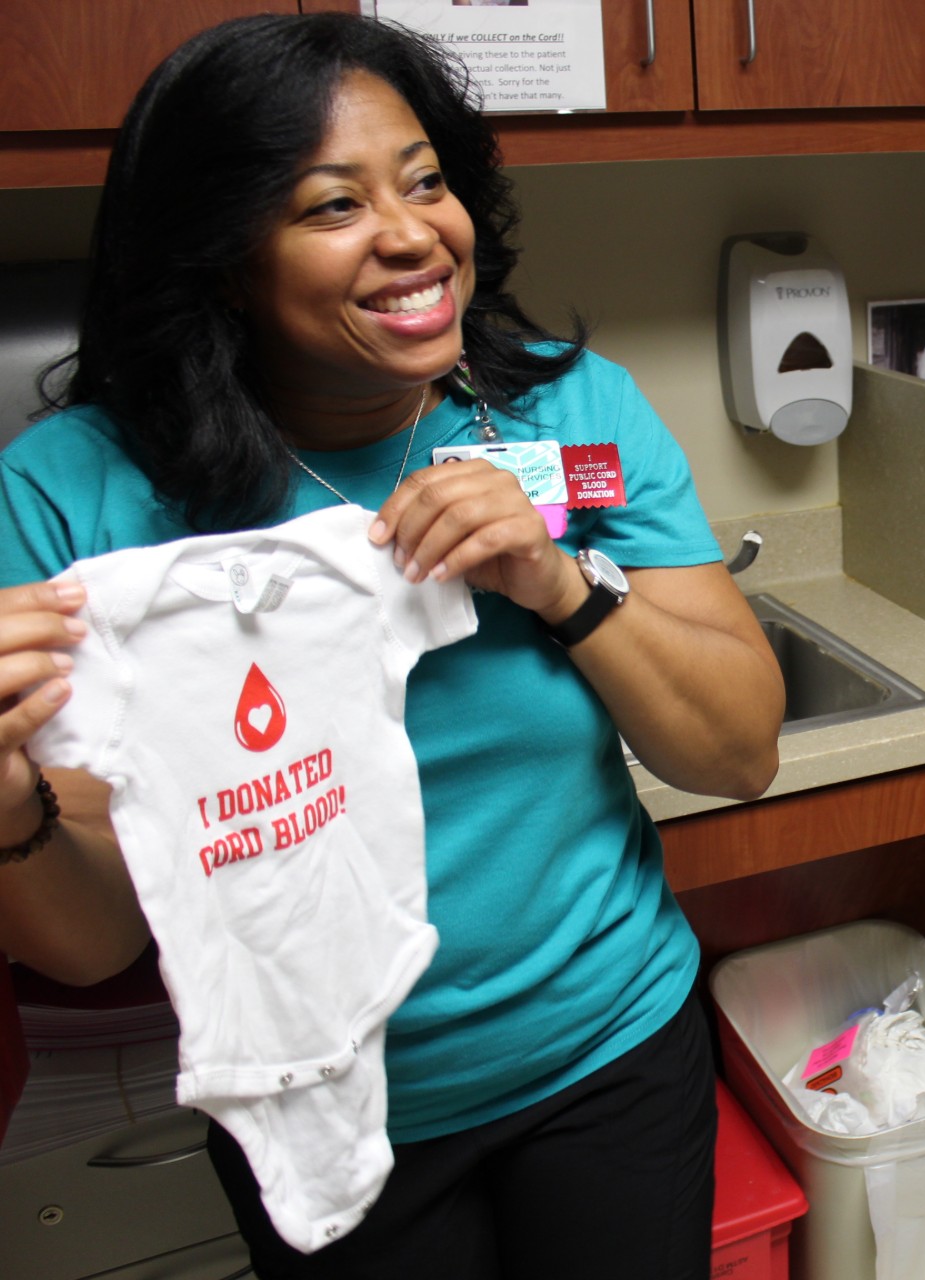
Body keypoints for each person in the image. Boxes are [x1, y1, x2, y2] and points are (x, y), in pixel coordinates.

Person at [0, 12, 784, 1280]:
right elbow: (91, 942)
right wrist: (3, 792)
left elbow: (739, 747)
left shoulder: (567, 408)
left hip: (610, 1050)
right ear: (218, 257)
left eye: (426, 182)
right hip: (319, 1104)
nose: (415, 232)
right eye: (331, 205)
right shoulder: (81, 505)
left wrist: (554, 575)